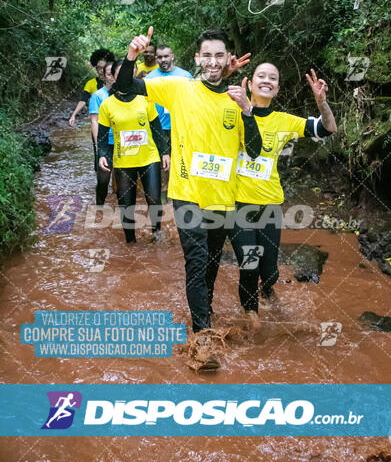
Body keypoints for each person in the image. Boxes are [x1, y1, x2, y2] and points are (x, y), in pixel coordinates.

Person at [115, 26, 259, 370]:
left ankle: (203, 312)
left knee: (209, 266)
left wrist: (248, 110)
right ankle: (202, 341)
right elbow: (124, 86)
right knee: (195, 262)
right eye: (206, 55)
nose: (212, 61)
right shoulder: (179, 88)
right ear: (197, 59)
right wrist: (132, 55)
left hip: (223, 199)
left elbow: (253, 152)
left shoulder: (237, 97)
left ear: (227, 60)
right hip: (187, 195)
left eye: (218, 55)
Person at [217, 63, 337, 323]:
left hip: (270, 205)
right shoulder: (229, 111)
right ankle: (252, 319)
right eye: (261, 76)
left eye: (273, 78)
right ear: (249, 84)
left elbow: (329, 129)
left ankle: (267, 287)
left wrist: (321, 103)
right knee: (249, 265)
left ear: (278, 88)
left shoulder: (284, 121)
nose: (267, 81)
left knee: (269, 271)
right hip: (237, 205)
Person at [97, 60, 170, 244]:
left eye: (129, 73)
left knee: (154, 198)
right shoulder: (107, 105)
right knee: (126, 205)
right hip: (123, 162)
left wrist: (165, 152)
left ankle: (157, 233)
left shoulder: (146, 99)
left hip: (149, 158)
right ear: (113, 77)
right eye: (120, 74)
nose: (125, 77)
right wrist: (102, 156)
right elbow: (103, 137)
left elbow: (157, 129)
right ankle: (130, 241)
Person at [147, 44, 192, 202]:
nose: (163, 60)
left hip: (180, 126)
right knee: (161, 163)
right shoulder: (150, 78)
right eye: (159, 57)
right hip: (158, 127)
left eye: (166, 56)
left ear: (172, 56)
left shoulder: (186, 76)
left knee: (182, 161)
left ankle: (180, 195)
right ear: (156, 58)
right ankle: (164, 196)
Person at [89, 59, 117, 205]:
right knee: (104, 178)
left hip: (123, 142)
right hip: (105, 141)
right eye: (109, 74)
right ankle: (99, 206)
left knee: (123, 179)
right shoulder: (98, 96)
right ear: (104, 76)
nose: (112, 77)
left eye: (114, 74)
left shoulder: (126, 94)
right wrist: (98, 147)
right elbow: (95, 121)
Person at [68, 49, 115, 127]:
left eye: (103, 68)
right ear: (95, 67)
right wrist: (73, 115)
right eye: (98, 68)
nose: (100, 71)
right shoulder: (90, 84)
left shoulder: (115, 82)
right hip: (97, 121)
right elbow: (83, 100)